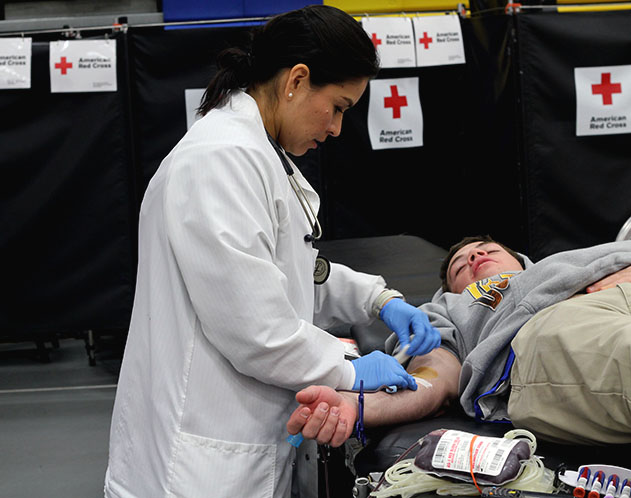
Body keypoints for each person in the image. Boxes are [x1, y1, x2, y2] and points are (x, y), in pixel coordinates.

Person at [103, 6, 442, 498]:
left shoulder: (257, 155)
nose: (337, 129)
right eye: (340, 106)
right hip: (196, 466)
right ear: (297, 80)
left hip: (235, 449)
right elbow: (256, 329)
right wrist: (349, 368)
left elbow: (290, 268)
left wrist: (378, 300)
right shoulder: (220, 161)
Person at [287, 235, 631, 496]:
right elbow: (435, 377)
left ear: (521, 260)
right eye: (460, 264)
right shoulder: (450, 308)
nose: (473, 258)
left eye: (485, 249)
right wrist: (358, 406)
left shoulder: (572, 259)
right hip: (546, 331)